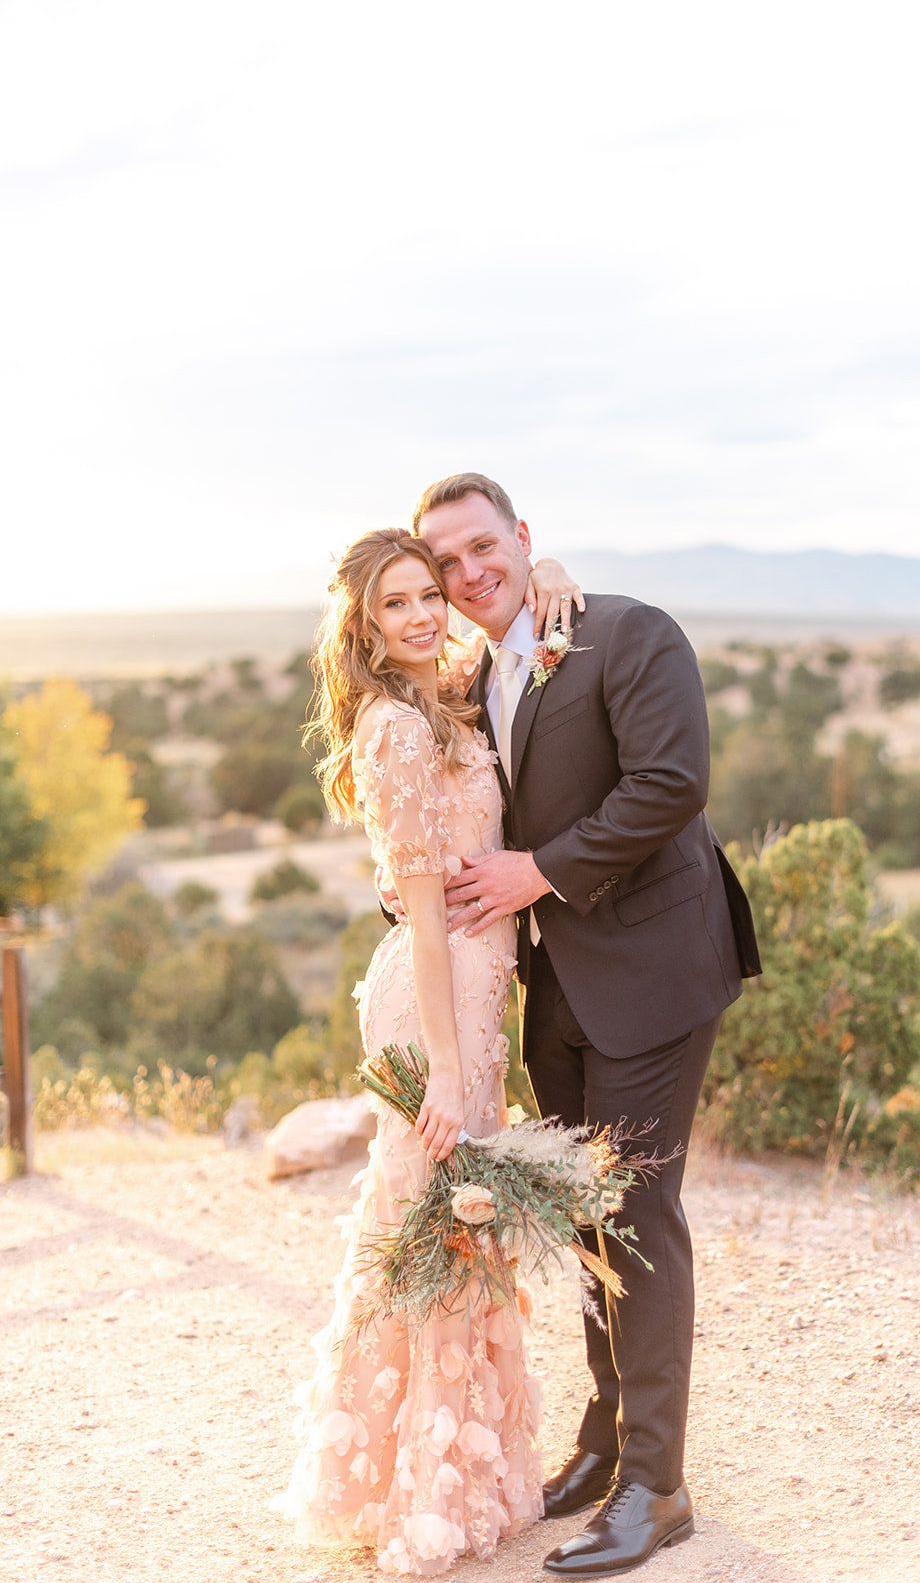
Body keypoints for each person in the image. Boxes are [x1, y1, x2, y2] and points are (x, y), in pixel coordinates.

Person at [412, 473, 762, 1579]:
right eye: (447, 564)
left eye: (484, 547)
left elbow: (673, 782)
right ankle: (607, 1441)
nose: (472, 574)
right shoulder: (472, 674)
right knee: (583, 1220)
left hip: (655, 967)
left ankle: (657, 1488)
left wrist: (539, 872)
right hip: (556, 986)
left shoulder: (627, 634)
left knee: (640, 1215)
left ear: (523, 537)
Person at [272, 529, 580, 1576]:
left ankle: (462, 1474)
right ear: (362, 623)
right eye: (393, 603)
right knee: (434, 1227)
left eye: (425, 596)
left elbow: (509, 651)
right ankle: (420, 1490)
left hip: (476, 1000)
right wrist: (447, 1068)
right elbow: (425, 917)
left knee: (455, 1233)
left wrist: (549, 578)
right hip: (433, 1003)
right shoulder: (396, 730)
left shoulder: (443, 692)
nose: (416, 615)